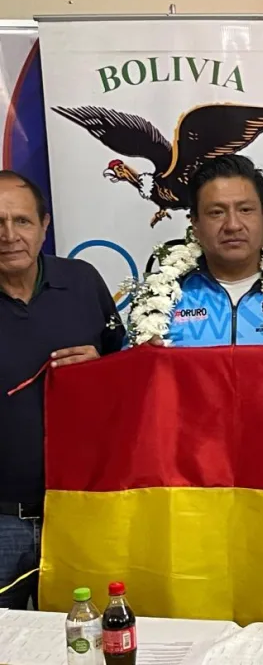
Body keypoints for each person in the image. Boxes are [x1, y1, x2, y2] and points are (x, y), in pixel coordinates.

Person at [0, 172, 124, 609]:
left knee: (83, 639)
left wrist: (99, 370)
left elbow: (127, 375)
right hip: (2, 519)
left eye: (22, 221)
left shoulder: (83, 282)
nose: (9, 235)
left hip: (78, 511)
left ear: (44, 226)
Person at [128, 155, 263, 348]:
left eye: (245, 210)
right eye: (216, 212)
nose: (233, 225)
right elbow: (125, 375)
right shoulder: (159, 293)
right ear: (195, 223)